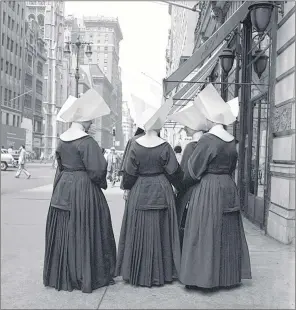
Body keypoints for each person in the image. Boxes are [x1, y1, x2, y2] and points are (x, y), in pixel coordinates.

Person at [43, 88, 116, 293]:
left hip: (63, 187)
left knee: (64, 230)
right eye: (90, 120)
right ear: (83, 120)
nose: (92, 123)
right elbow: (98, 170)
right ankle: (85, 272)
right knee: (87, 228)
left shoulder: (62, 139)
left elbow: (60, 166)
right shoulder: (87, 142)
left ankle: (62, 272)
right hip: (83, 190)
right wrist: (100, 184)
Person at [179, 84, 251, 290]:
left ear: (210, 119)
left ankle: (203, 277)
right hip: (228, 186)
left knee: (204, 230)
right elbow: (233, 165)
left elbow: (193, 170)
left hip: (209, 188)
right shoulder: (231, 141)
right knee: (226, 230)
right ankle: (227, 277)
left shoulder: (208, 140)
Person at [116, 98, 183, 287]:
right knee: (162, 230)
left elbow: (129, 174)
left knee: (138, 229)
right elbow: (175, 172)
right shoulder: (164, 146)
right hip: (161, 188)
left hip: (139, 189)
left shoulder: (135, 145)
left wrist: (128, 188)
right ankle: (162, 272)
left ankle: (137, 271)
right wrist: (177, 186)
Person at [167, 103, 208, 248]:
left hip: (190, 193)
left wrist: (177, 188)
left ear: (194, 127)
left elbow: (184, 173)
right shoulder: (207, 143)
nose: (184, 128)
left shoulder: (191, 146)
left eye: (187, 125)